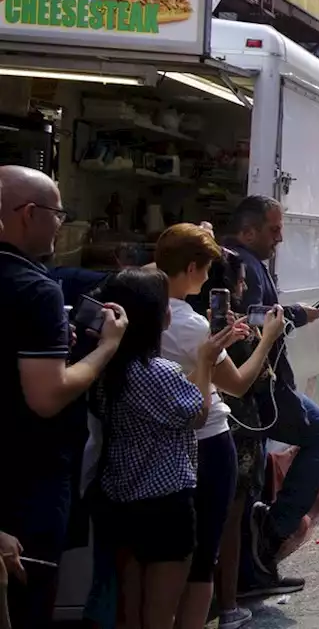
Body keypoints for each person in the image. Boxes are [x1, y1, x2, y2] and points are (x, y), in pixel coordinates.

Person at [0, 165, 129, 627]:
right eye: (57, 213)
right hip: (25, 481)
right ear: (28, 214)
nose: (61, 223)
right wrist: (108, 348)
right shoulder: (35, 292)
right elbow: (47, 396)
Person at [90, 268, 244, 629]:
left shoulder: (107, 367)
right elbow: (197, 413)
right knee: (160, 614)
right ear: (156, 316)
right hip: (166, 504)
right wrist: (206, 360)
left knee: (131, 610)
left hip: (119, 498)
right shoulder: (158, 371)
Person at [153, 225, 286, 629]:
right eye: (205, 268)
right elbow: (239, 382)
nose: (209, 277)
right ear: (193, 268)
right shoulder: (192, 325)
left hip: (157, 440)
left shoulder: (142, 307)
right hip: (205, 437)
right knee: (202, 554)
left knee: (159, 557)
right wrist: (266, 340)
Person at [222, 196, 319, 595]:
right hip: (259, 391)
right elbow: (253, 320)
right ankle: (272, 535)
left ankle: (256, 561)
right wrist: (292, 314)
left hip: (258, 390)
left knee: (251, 486)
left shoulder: (245, 262)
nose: (279, 238)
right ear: (248, 231)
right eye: (273, 230)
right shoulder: (244, 264)